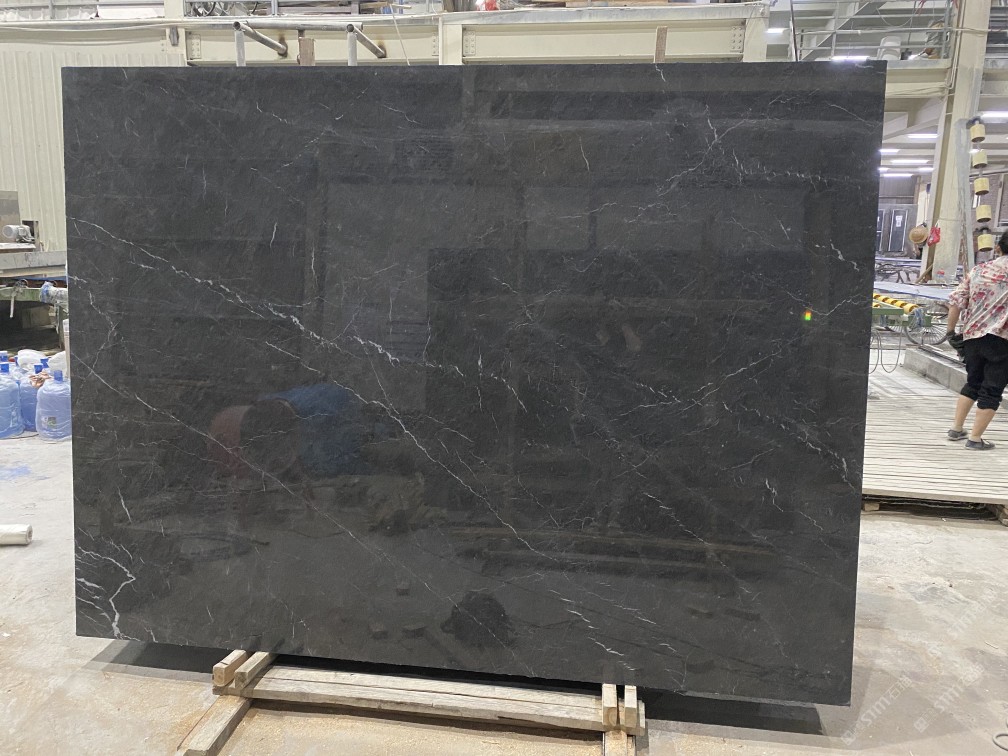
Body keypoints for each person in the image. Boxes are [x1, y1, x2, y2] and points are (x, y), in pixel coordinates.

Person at [946, 230, 1008, 450]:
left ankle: (956, 428)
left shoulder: (979, 270)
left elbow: (956, 301)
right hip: (1001, 340)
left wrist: (951, 332)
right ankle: (975, 439)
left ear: (998, 247)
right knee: (992, 389)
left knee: (973, 382)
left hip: (972, 336)